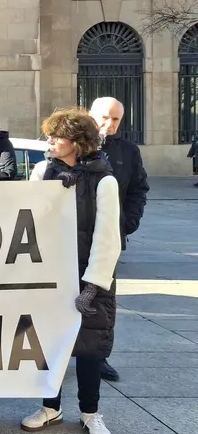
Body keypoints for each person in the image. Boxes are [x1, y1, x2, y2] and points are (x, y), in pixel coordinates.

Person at [21, 108, 121, 434]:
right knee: (51, 344)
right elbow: (28, 219)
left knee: (90, 347)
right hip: (51, 273)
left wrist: (92, 286)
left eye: (56, 136)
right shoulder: (41, 170)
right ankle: (50, 407)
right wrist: (53, 192)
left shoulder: (104, 181)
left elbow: (108, 238)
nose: (49, 141)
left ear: (77, 143)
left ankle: (90, 412)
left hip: (87, 276)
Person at [90, 96, 149, 383]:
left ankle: (98, 358)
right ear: (91, 115)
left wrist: (128, 223)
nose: (109, 124)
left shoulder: (128, 151)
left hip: (109, 241)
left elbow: (139, 189)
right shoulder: (76, 146)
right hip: (71, 238)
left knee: (103, 302)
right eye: (104, 117)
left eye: (115, 119)